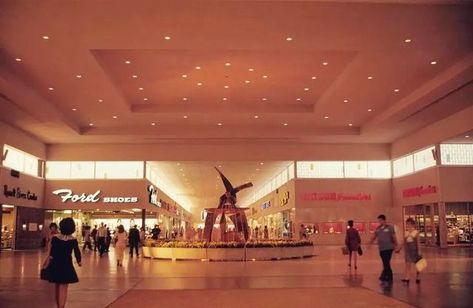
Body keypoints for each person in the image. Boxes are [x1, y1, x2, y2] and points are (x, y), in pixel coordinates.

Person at [44, 217, 81, 308]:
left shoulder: (55, 238)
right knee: (64, 287)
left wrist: (47, 262)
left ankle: (58, 305)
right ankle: (61, 306)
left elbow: (52, 253)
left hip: (56, 264)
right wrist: (79, 261)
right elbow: (77, 252)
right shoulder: (73, 240)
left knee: (57, 285)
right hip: (67, 265)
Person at [370, 214, 399, 284]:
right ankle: (384, 275)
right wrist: (370, 242)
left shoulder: (390, 227)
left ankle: (389, 276)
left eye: (380, 220)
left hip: (389, 248)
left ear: (384, 220)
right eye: (379, 220)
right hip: (381, 248)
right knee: (385, 262)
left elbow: (393, 237)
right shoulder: (378, 228)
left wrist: (396, 245)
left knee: (386, 262)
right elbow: (374, 236)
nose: (379, 222)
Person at [396, 218, 421, 284]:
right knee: (407, 264)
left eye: (409, 224)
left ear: (413, 225)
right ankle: (407, 278)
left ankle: (418, 277)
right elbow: (403, 242)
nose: (408, 225)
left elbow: (418, 242)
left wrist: (419, 251)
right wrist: (399, 248)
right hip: (408, 251)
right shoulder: (406, 233)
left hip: (415, 251)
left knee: (418, 265)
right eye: (407, 224)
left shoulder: (416, 232)